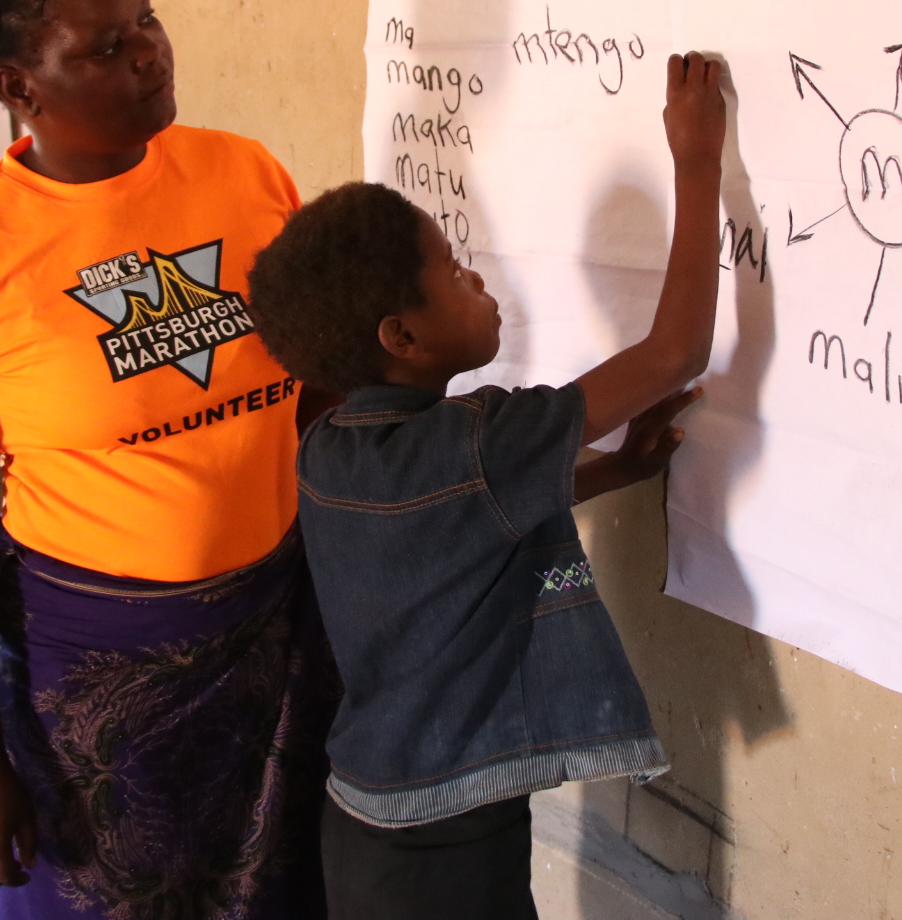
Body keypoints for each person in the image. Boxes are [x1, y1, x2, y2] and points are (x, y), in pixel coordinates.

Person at [0, 0, 341, 920]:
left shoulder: (245, 175)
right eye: (104, 46)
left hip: (269, 637)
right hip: (87, 678)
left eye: (147, 21)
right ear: (17, 85)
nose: (148, 53)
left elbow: (318, 389)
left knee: (278, 896)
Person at [245, 50, 726, 919]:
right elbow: (674, 355)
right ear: (403, 335)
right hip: (448, 851)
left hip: (365, 815)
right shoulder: (476, 440)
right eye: (453, 271)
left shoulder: (329, 450)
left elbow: (460, 528)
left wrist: (619, 468)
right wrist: (698, 162)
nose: (476, 277)